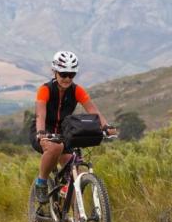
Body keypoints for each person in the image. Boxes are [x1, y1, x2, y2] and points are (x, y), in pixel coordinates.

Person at [31, 51, 116, 203]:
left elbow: (93, 111)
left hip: (65, 133)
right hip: (44, 130)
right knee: (55, 148)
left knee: (75, 166)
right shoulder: (45, 90)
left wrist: (106, 126)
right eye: (63, 74)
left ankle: (78, 221)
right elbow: (40, 115)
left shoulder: (77, 90)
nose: (67, 78)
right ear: (55, 72)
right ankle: (41, 182)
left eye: (71, 74)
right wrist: (41, 133)